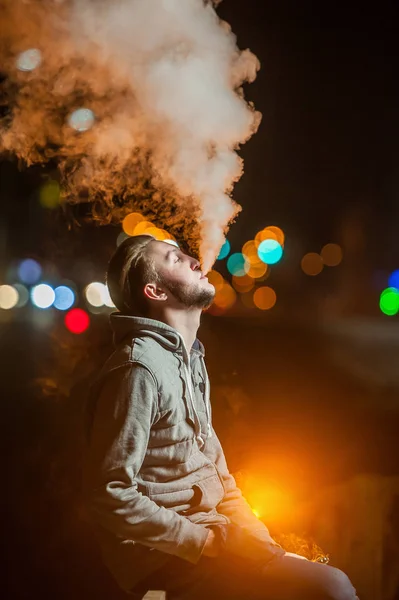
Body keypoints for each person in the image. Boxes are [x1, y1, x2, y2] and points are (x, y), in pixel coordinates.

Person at [83, 235, 359, 600]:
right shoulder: (139, 369)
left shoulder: (189, 360)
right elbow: (110, 492)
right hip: (162, 557)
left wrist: (261, 545)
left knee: (315, 563)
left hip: (214, 536)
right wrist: (211, 543)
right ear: (155, 291)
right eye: (175, 258)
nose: (194, 260)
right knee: (331, 587)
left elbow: (220, 477)